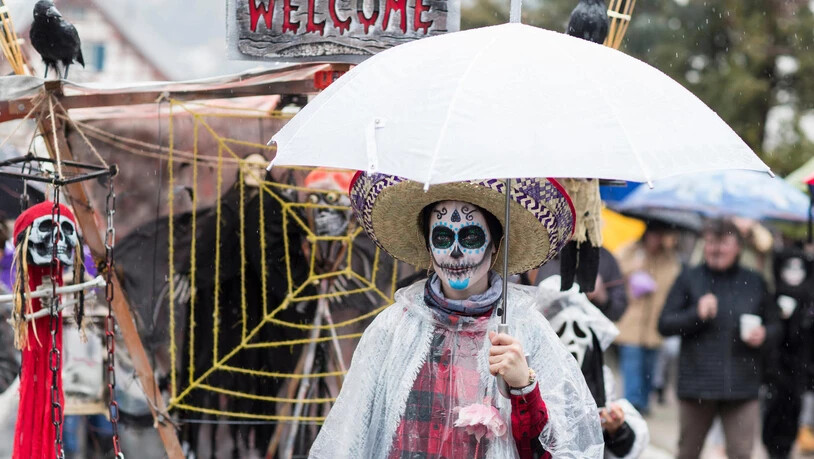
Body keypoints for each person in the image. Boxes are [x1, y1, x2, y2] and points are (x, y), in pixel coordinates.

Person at [309, 173, 604, 458]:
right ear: (428, 246)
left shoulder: (525, 329)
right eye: (442, 237)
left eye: (471, 237)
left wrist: (523, 388)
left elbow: (556, 448)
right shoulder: (394, 327)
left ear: (495, 245)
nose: (455, 251)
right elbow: (350, 437)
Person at [658, 219, 779, 459]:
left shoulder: (754, 281)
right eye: (711, 242)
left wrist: (764, 335)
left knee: (741, 453)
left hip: (742, 385)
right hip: (696, 384)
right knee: (687, 452)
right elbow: (664, 325)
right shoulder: (689, 277)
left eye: (724, 243)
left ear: (738, 247)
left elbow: (776, 326)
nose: (716, 249)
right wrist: (696, 314)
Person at [538, 275, 649, 458]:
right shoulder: (532, 377)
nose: (572, 342)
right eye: (561, 331)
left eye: (579, 332)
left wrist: (616, 428)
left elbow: (622, 447)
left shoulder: (600, 378)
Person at [614, 221, 681, 414]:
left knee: (650, 368)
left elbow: (673, 283)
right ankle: (632, 405)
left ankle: (643, 402)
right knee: (632, 365)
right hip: (631, 321)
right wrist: (635, 269)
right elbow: (616, 272)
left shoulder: (669, 259)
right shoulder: (629, 251)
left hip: (655, 323)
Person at [534, 246, 628, 321]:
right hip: (539, 325)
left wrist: (601, 295)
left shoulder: (605, 258)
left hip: (581, 333)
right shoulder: (544, 248)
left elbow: (618, 311)